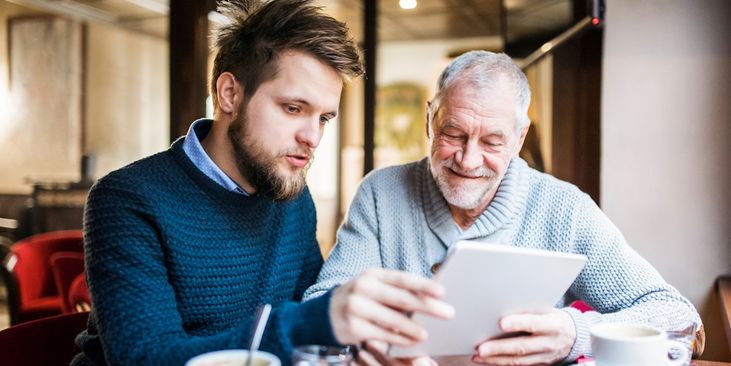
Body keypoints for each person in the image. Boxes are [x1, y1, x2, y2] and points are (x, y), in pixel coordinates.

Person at [72, 1, 454, 365]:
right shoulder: (127, 199)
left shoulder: (293, 199)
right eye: (293, 109)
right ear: (230, 94)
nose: (313, 137)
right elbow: (146, 359)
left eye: (324, 118)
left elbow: (307, 337)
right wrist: (318, 322)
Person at [304, 51, 701, 365]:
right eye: (453, 134)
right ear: (430, 120)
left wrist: (573, 332)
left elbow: (679, 317)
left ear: (519, 137)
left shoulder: (563, 209)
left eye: (492, 142)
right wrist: (367, 342)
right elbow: (321, 304)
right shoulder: (381, 193)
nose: (468, 160)